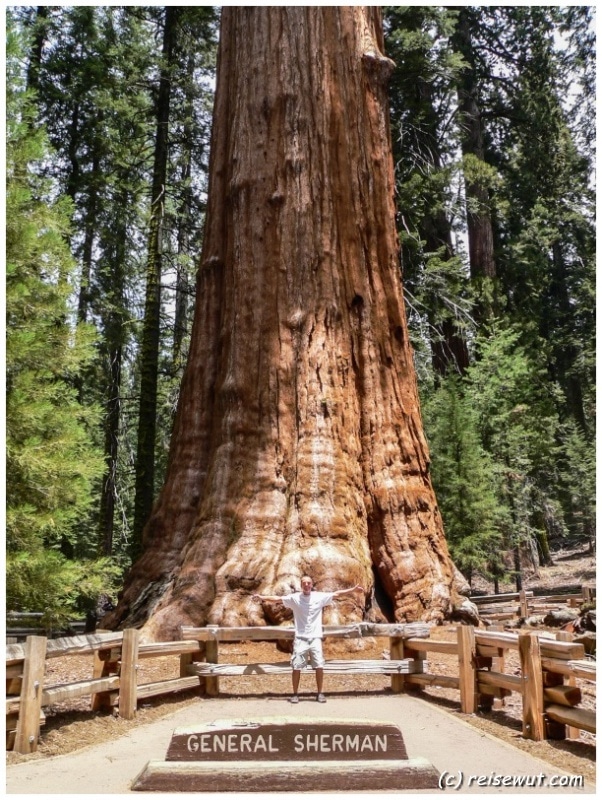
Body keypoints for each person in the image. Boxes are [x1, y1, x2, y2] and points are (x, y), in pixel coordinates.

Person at [252, 576, 364, 703]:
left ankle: (320, 693)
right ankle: (295, 694)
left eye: (308, 583)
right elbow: (277, 599)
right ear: (301, 585)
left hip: (315, 638)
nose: (306, 585)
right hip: (300, 638)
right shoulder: (295, 598)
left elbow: (336, 594)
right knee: (296, 667)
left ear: (311, 585)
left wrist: (353, 590)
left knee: (319, 666)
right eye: (304, 583)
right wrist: (262, 598)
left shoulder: (319, 597)